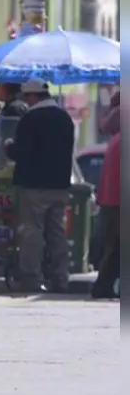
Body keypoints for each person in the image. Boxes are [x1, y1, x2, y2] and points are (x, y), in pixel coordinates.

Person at [5, 78, 75, 293]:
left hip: (34, 186)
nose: (26, 101)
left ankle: (32, 278)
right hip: (60, 186)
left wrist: (9, 146)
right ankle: (60, 277)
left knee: (32, 232)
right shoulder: (65, 119)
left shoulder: (31, 119)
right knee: (57, 232)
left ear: (33, 96)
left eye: (27, 97)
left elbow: (21, 153)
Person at [91, 103, 120, 299]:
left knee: (115, 247)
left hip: (111, 201)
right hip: (116, 202)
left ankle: (103, 286)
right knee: (115, 247)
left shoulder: (116, 142)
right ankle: (103, 287)